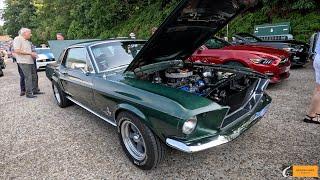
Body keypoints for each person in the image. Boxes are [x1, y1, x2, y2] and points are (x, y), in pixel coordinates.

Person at [13, 28, 39, 98]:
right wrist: (30, 53)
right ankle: (29, 93)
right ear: (25, 33)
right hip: (23, 61)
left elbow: (30, 51)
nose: (31, 34)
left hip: (30, 61)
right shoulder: (17, 39)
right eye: (29, 33)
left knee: (34, 76)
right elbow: (17, 50)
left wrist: (33, 55)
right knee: (28, 77)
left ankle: (35, 90)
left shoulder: (27, 41)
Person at [304, 31, 320, 124]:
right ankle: (310, 115)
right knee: (319, 90)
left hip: (318, 57)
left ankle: (317, 114)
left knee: (318, 89)